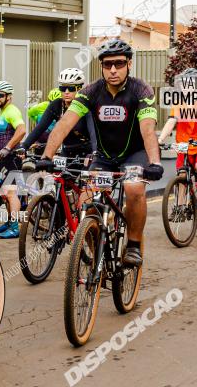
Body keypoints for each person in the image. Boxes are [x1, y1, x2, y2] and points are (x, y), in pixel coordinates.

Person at [39, 39, 162, 267]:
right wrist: (47, 156)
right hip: (104, 158)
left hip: (134, 154)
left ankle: (133, 244)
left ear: (129, 64)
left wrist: (154, 162)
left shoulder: (140, 90)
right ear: (101, 66)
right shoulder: (91, 91)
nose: (113, 70)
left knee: (133, 188)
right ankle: (99, 251)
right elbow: (65, 123)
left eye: (118, 64)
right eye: (107, 65)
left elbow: (147, 129)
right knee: (86, 203)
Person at [158, 68, 197, 213]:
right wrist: (159, 139)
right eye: (184, 83)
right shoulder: (178, 103)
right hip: (184, 145)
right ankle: (180, 206)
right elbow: (171, 121)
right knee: (182, 175)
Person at [21, 68, 93, 158]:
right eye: (63, 88)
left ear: (78, 88)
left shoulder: (84, 104)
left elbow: (93, 132)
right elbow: (40, 128)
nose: (66, 92)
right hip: (66, 151)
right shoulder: (56, 104)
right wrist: (24, 147)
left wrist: (95, 153)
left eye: (71, 88)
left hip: (86, 152)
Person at [0, 80, 27, 239]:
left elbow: (22, 130)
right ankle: (9, 221)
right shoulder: (4, 111)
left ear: (9, 97)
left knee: (11, 193)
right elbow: (5, 133)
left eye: (0, 95)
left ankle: (14, 227)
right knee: (6, 193)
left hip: (11, 159)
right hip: (3, 159)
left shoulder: (12, 111)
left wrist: (7, 148)